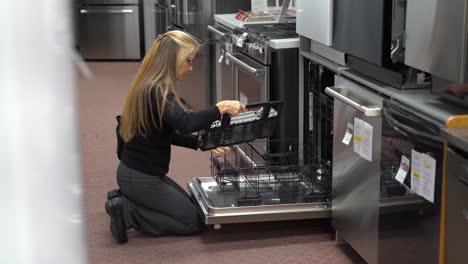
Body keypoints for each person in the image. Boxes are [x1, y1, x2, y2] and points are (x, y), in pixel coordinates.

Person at [105, 30, 246, 244]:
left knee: (193, 206)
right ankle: (127, 212)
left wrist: (200, 142)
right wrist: (221, 107)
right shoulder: (157, 91)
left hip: (142, 174)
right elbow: (186, 123)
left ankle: (126, 198)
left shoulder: (151, 85)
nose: (190, 68)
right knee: (193, 223)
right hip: (141, 177)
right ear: (171, 60)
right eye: (188, 61)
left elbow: (165, 134)